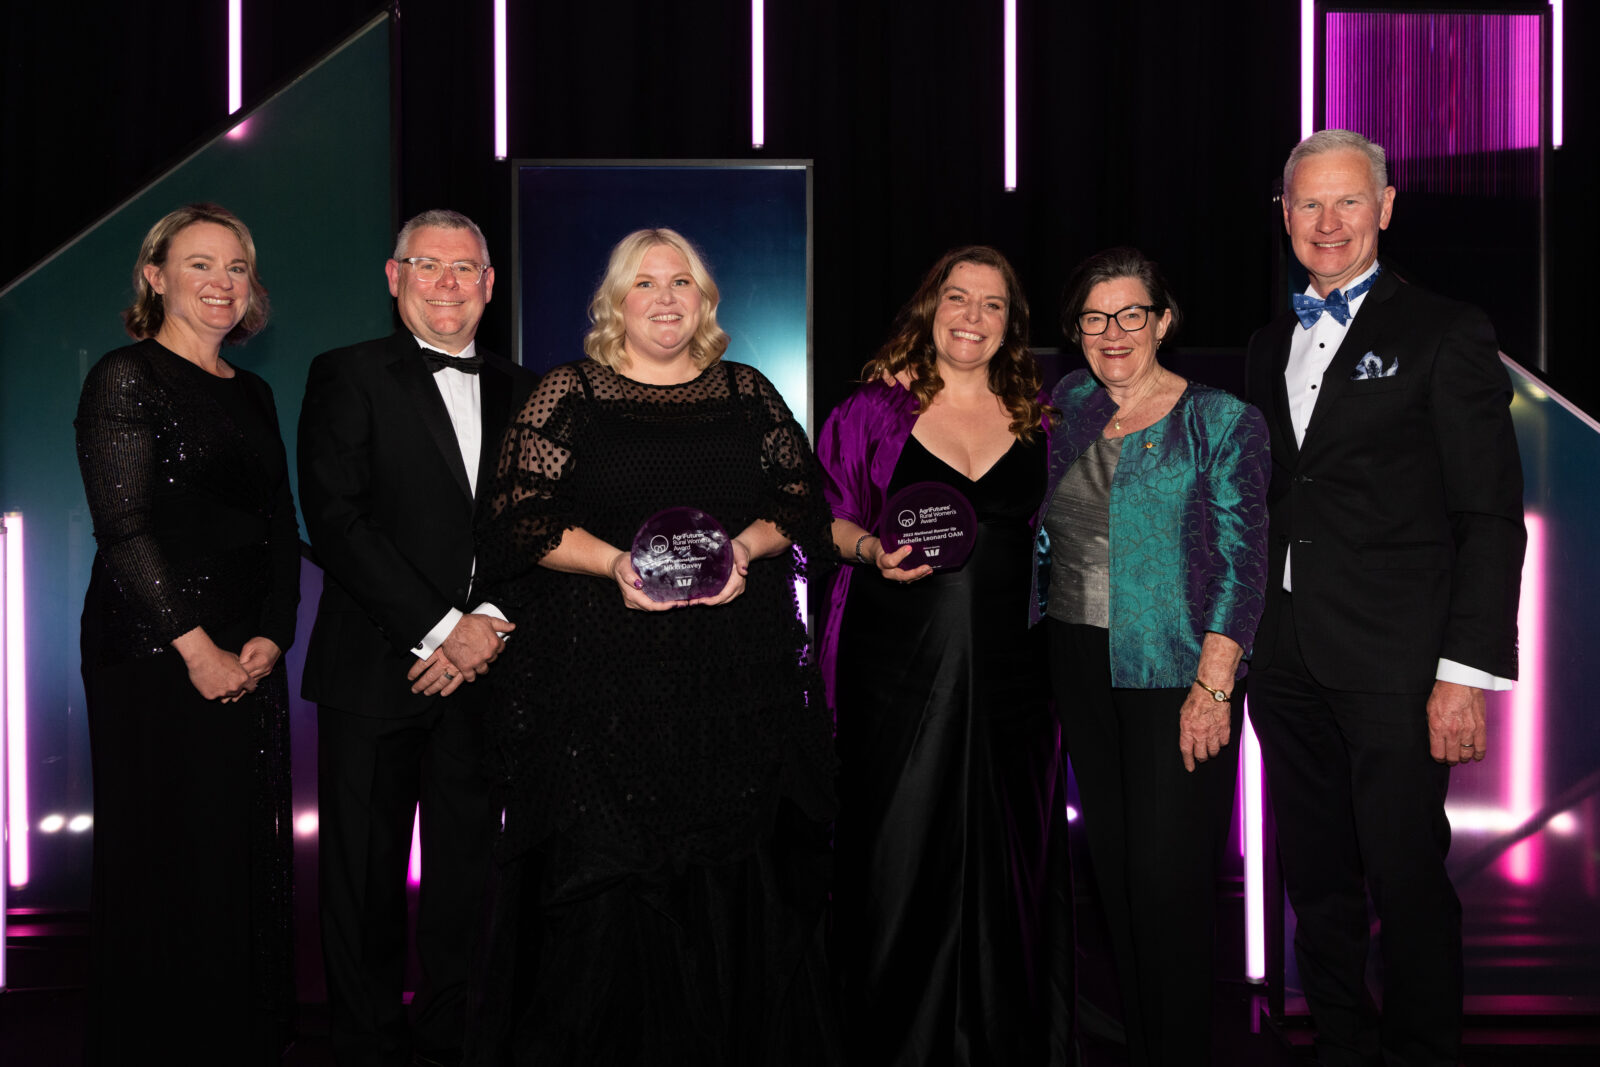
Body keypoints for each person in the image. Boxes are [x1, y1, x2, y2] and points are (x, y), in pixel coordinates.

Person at [467, 228, 839, 1065]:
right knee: (609, 885)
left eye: (682, 282)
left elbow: (798, 500)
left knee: (733, 875)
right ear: (616, 303)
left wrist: (742, 548)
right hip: (602, 679)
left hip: (733, 680)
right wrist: (615, 565)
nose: (665, 298)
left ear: (705, 301)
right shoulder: (570, 393)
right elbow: (519, 518)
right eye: (646, 283)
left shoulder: (747, 392)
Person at [1245, 129, 1525, 1067]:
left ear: (1387, 207)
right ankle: (1338, 1041)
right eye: (1308, 205)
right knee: (1315, 882)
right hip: (1284, 658)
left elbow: (1488, 514)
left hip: (1400, 666)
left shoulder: (1447, 330)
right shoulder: (1266, 341)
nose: (1328, 224)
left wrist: (1464, 671)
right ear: (1283, 216)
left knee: (1406, 881)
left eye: (1348, 202)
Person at [819, 245, 1072, 1065]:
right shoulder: (871, 412)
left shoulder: (1043, 417)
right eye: (957, 298)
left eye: (992, 304)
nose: (971, 316)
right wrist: (867, 548)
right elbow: (820, 517)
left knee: (1009, 856)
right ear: (930, 308)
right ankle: (895, 1041)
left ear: (1012, 324)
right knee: (900, 850)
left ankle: (1002, 1038)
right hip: (897, 673)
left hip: (1017, 679)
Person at [298, 209, 537, 1066]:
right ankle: (365, 1046)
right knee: (362, 880)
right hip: (374, 669)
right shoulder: (345, 374)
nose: (447, 284)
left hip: (490, 675)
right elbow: (337, 521)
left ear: (489, 283)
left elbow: (542, 529)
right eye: (426, 266)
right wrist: (444, 631)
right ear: (394, 277)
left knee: (468, 877)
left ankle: (457, 1037)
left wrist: (491, 629)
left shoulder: (528, 388)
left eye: (464, 268)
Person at [75, 203, 299, 1061]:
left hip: (247, 649)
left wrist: (273, 636)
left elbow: (279, 523)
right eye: (199, 264)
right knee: (166, 860)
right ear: (155, 276)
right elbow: (124, 528)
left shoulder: (258, 391)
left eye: (236, 266)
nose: (221, 283)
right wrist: (196, 647)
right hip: (153, 652)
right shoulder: (125, 377)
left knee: (237, 859)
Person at [1034, 247, 1269, 1065]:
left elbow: (1243, 563)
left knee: (1169, 884)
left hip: (1176, 674)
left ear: (1163, 321)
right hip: (1076, 661)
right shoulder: (1068, 404)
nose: (1113, 332)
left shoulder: (1221, 419)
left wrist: (1215, 685)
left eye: (1132, 313)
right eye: (1094, 319)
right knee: (1120, 876)